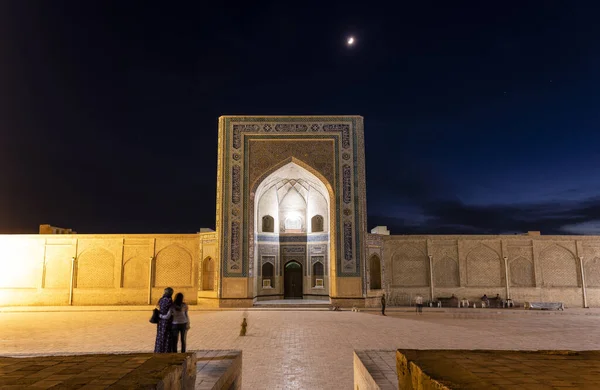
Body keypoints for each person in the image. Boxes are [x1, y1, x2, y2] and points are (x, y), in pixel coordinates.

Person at [154, 287, 174, 353]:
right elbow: (169, 315)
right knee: (166, 337)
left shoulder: (161, 300)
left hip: (160, 322)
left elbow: (158, 309)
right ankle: (165, 351)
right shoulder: (169, 301)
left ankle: (159, 350)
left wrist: (160, 316)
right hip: (167, 322)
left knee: (160, 336)